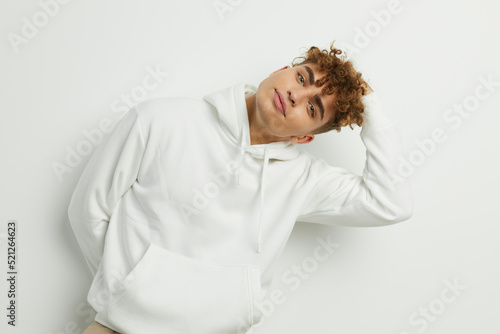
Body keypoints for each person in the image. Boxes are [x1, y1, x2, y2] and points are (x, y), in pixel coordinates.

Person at [68, 42, 413, 334]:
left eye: (312, 107)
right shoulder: (161, 120)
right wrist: (128, 291)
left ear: (303, 137)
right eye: (302, 77)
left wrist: (373, 111)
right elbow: (88, 210)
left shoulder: (302, 179)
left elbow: (390, 203)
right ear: (281, 70)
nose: (296, 95)